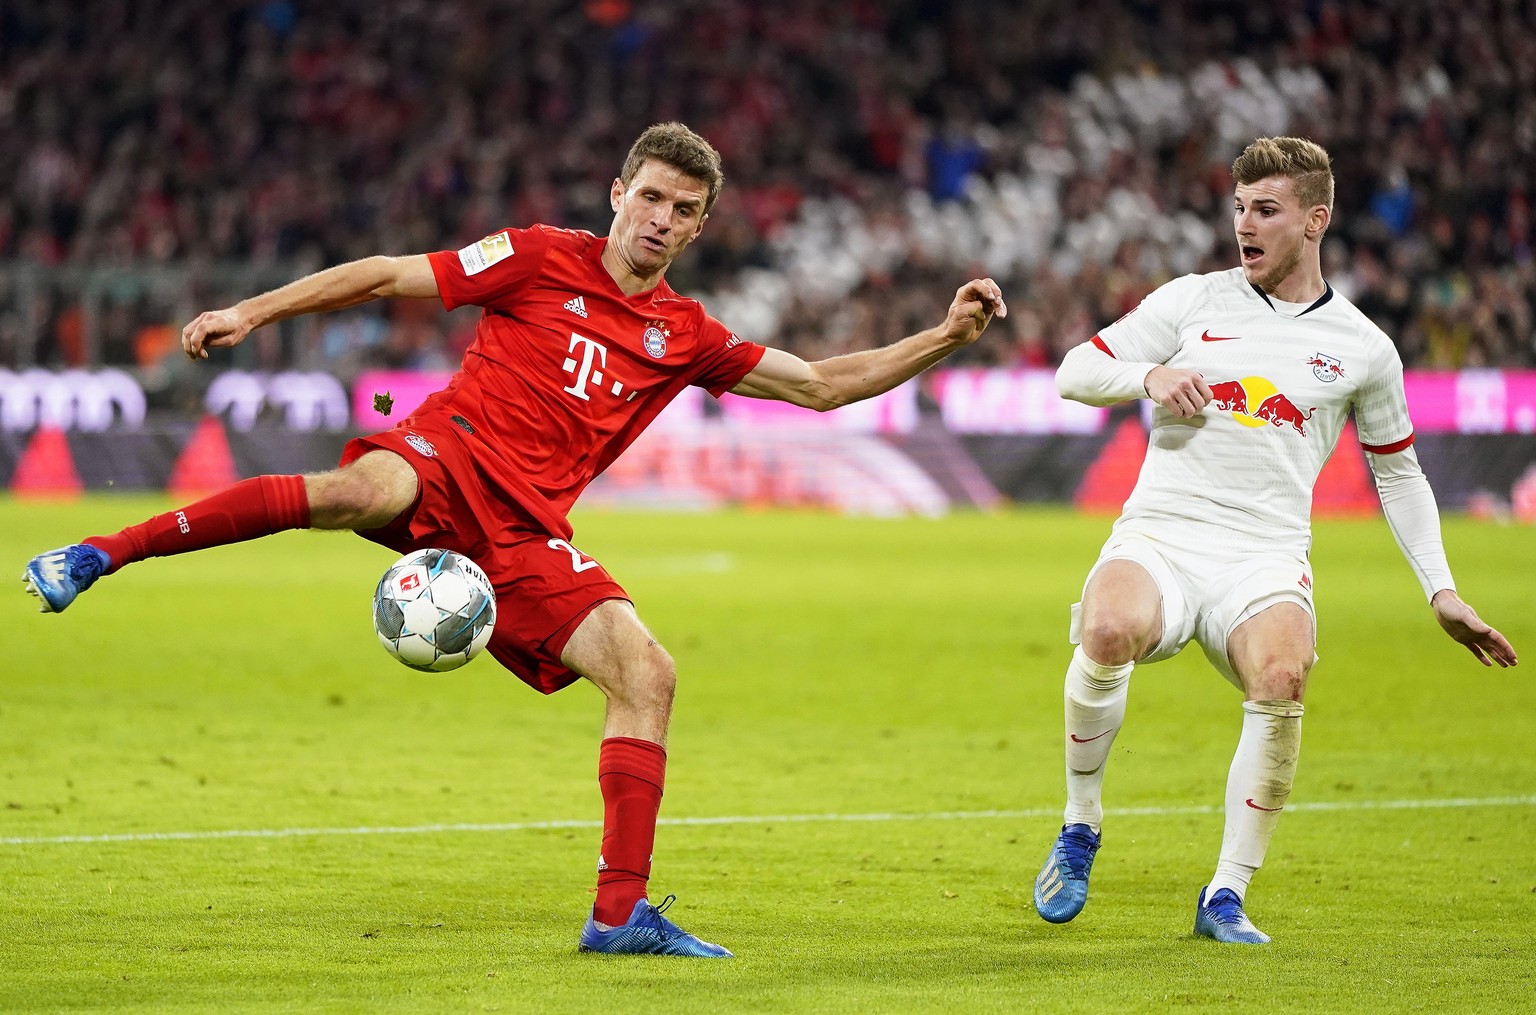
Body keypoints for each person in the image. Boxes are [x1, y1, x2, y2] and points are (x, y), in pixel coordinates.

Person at [23, 122, 1008, 957]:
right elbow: (385, 277)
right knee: (350, 489)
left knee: (647, 672)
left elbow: (823, 383)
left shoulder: (685, 334)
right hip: (445, 456)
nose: (662, 219)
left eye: (684, 211)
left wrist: (947, 337)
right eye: (652, 197)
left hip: (528, 530)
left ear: (701, 226)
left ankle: (619, 913)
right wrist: (250, 309)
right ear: (618, 192)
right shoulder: (540, 255)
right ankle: (101, 552)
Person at [1033, 136, 1517, 944]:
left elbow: (1400, 475)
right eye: (1238, 210)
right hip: (1164, 530)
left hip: (1263, 554)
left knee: (1285, 674)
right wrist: (1145, 376)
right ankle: (1081, 824)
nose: (1245, 227)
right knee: (1107, 626)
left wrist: (1441, 588)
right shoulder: (1193, 300)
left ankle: (1225, 892)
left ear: (1315, 219)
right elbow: (1075, 370)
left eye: (1266, 210)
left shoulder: (1364, 348)